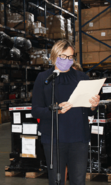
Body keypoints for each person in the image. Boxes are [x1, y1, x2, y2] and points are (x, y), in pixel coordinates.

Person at [32, 40, 100, 185]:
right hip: (54, 139)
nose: (67, 60)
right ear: (54, 56)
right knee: (56, 181)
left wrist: (93, 105)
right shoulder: (44, 78)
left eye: (70, 57)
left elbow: (88, 111)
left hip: (78, 138)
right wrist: (55, 110)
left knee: (78, 180)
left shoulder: (82, 78)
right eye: (63, 56)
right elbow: (36, 110)